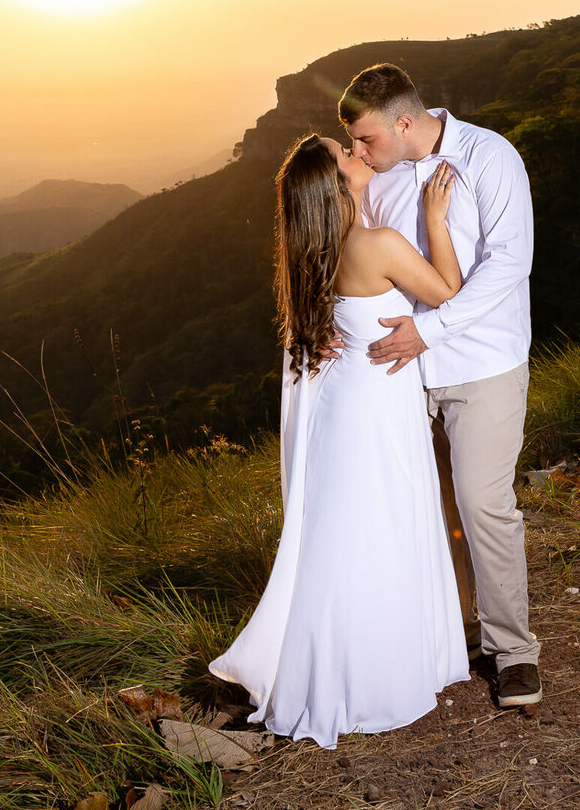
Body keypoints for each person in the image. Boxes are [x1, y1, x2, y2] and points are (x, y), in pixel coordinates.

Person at [208, 133, 471, 749]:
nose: (358, 153)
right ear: (335, 185)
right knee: (381, 525)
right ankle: (373, 671)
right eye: (345, 155)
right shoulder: (377, 243)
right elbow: (451, 295)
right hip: (376, 403)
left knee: (347, 530)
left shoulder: (310, 251)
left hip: (342, 405)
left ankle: (343, 664)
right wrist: (436, 219)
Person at [338, 63, 541, 708]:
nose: (359, 153)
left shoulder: (489, 156)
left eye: (366, 139)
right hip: (398, 376)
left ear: (404, 121)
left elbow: (511, 261)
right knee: (430, 513)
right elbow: (359, 257)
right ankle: (451, 635)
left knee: (483, 505)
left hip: (480, 365)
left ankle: (514, 651)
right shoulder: (381, 179)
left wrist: (432, 330)